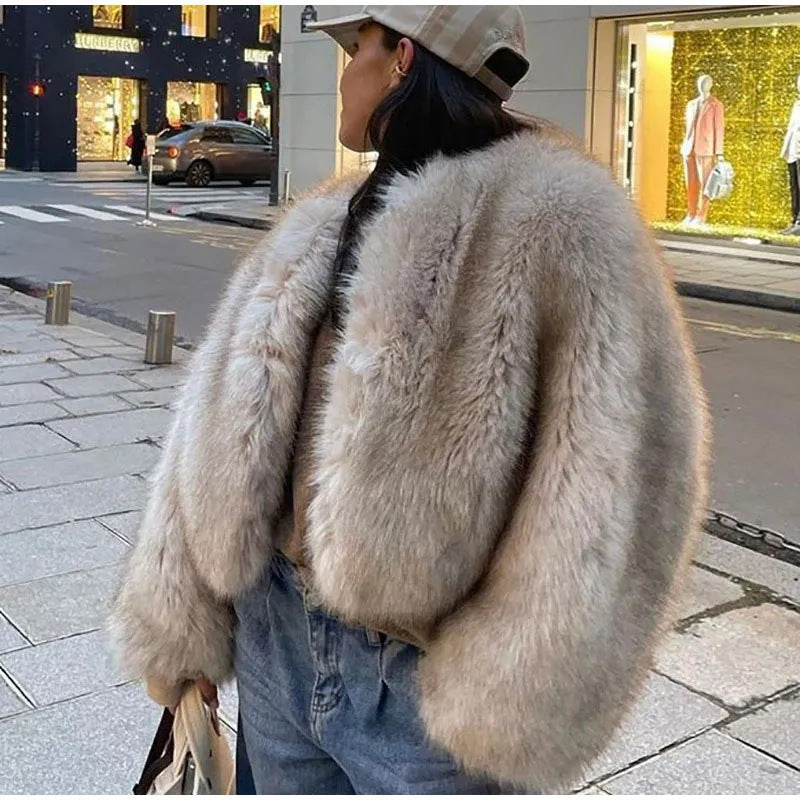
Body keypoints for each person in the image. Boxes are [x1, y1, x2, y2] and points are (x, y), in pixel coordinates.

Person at [111, 6, 709, 794]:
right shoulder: (325, 219)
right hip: (274, 635)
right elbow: (213, 420)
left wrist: (511, 689)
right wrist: (180, 620)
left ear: (402, 57)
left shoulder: (563, 221)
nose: (343, 73)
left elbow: (624, 474)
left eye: (356, 46)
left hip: (422, 687)